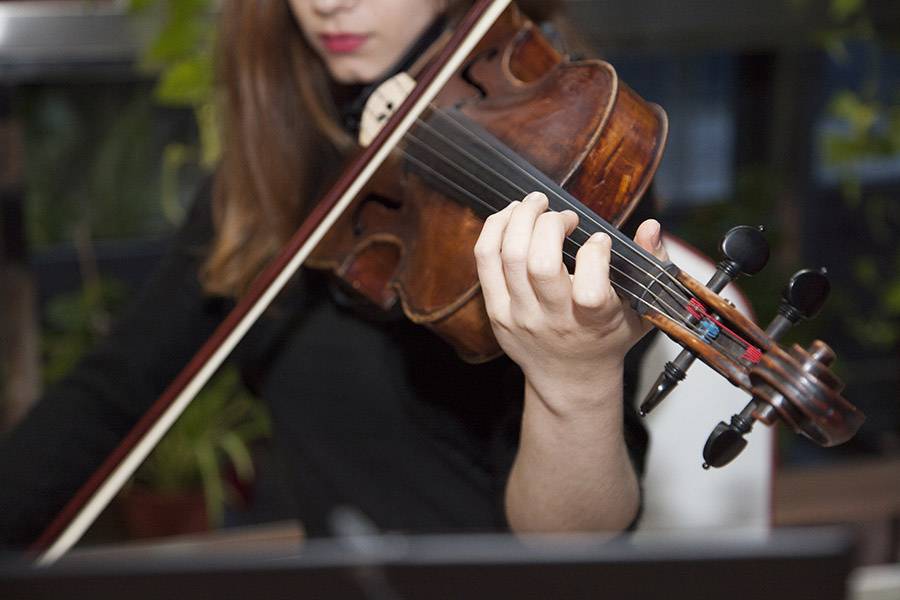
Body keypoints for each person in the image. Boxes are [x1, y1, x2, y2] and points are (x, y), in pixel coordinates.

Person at [0, 0, 668, 549]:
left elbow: (575, 546)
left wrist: (576, 385)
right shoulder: (278, 170)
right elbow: (113, 388)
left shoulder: (571, 163)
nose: (326, 4)